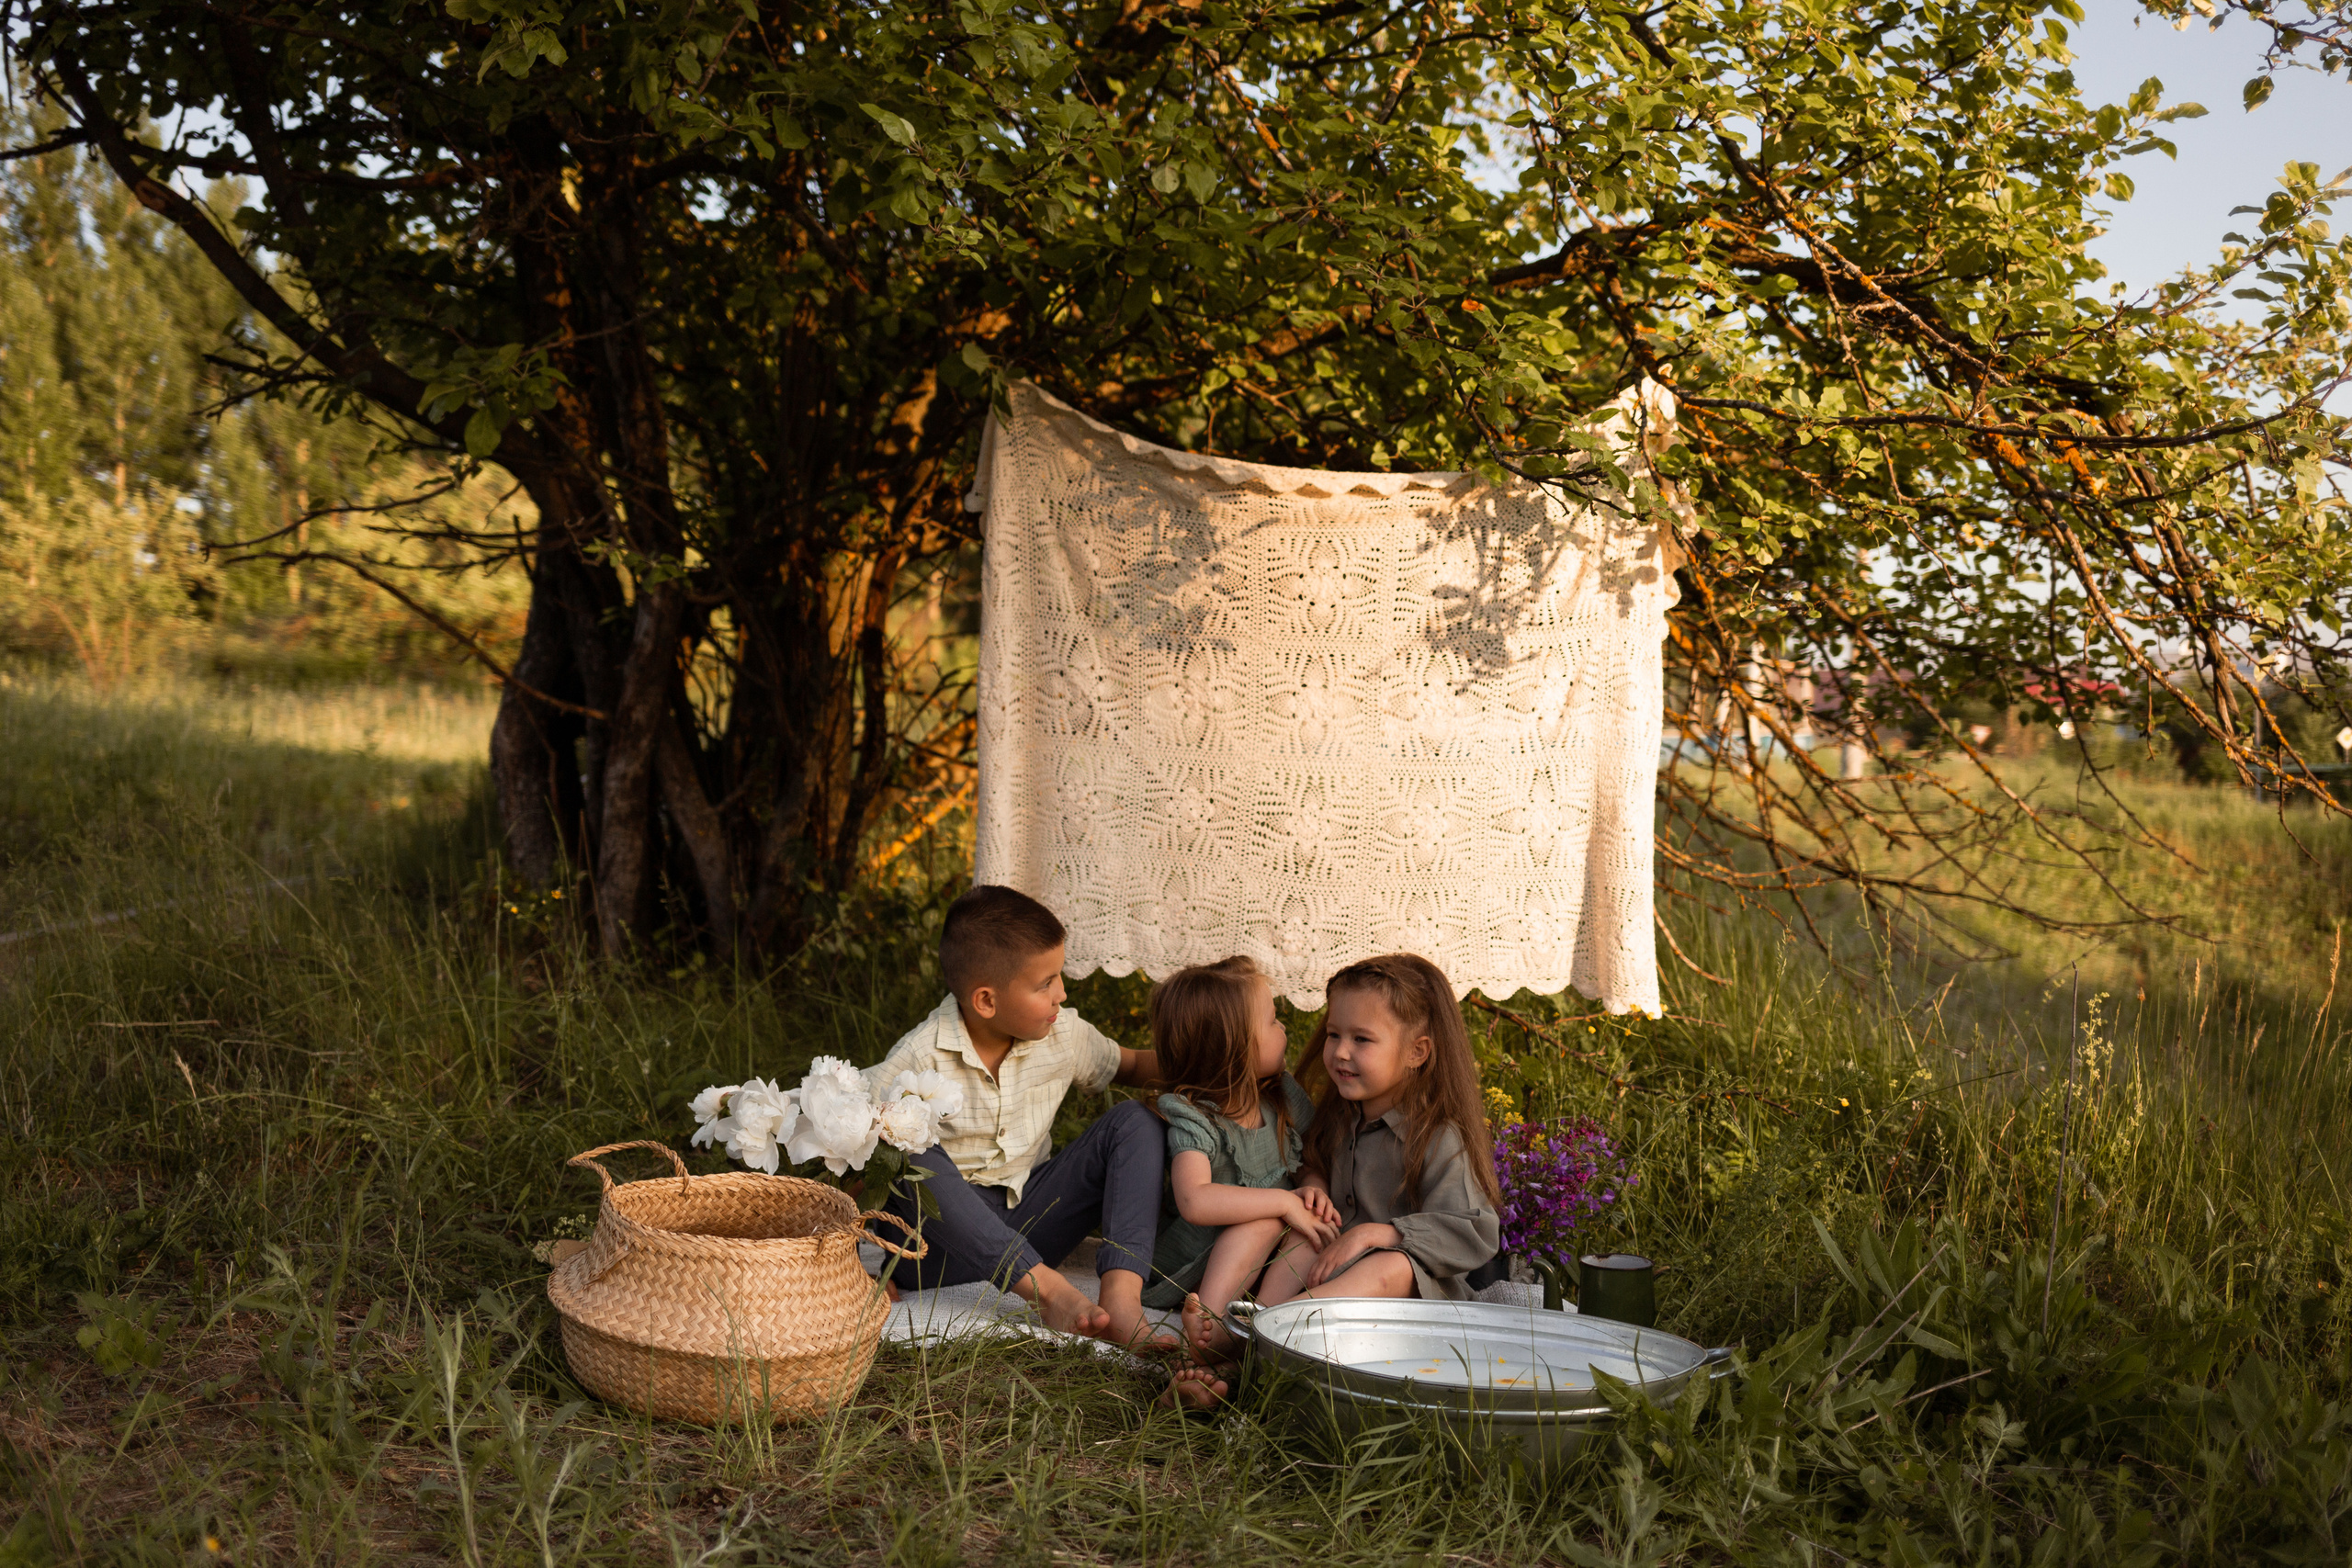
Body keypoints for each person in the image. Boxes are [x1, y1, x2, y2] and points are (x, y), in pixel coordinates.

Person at [1172, 952, 1500, 1403]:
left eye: (1362, 1039)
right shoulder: (1338, 1118)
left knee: (1390, 1265)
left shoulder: (1438, 1137)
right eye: (1333, 1034)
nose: (1340, 1052)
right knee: (1312, 1225)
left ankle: (1255, 1344)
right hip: (1330, 1289)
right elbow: (1313, 1170)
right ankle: (1248, 1339)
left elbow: (1475, 1230)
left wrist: (1377, 1234)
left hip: (1411, 1298)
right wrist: (1315, 1192)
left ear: (1416, 1052)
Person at [866, 885, 1172, 1348]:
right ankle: (1050, 1292)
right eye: (1045, 983)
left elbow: (1130, 1065)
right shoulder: (918, 1056)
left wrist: (1221, 1063)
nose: (1062, 993)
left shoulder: (1063, 1034)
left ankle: (1123, 1300)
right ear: (986, 1001)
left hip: (1031, 1223)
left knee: (1135, 1121)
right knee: (901, 1141)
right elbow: (844, 1155)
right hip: (935, 1251)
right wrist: (848, 1262)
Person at [1138, 958, 1337, 1341]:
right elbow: (1195, 1200)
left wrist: (1313, 1188)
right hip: (1197, 1261)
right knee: (1268, 1218)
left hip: (1266, 1258)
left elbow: (1310, 1161)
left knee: (1315, 1228)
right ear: (1235, 1047)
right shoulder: (1194, 1117)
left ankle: (1260, 1324)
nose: (1283, 1028)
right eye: (1273, 1020)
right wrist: (1282, 1203)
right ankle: (1211, 1326)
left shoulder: (1282, 1097)